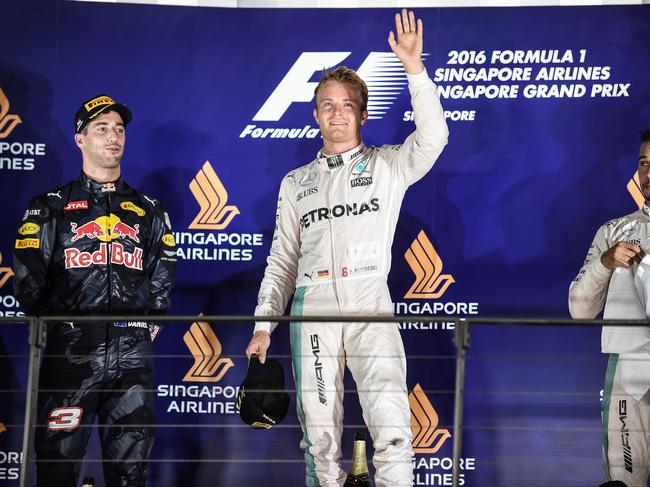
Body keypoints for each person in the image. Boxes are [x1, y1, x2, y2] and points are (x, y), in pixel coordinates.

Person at [245, 10, 448, 486]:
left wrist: (414, 70)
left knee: (393, 427)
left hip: (369, 302)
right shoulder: (296, 183)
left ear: (363, 112)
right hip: (311, 309)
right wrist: (262, 325)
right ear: (315, 114)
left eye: (347, 104)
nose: (337, 112)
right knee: (319, 437)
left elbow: (435, 136)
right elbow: (282, 261)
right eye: (327, 104)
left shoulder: (388, 165)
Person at [13, 94, 176, 487]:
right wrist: (54, 322)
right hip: (71, 353)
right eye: (101, 129)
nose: (113, 137)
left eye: (118, 129)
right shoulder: (50, 206)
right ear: (80, 140)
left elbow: (164, 267)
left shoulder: (149, 209)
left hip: (132, 353)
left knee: (131, 472)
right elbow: (27, 276)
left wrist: (149, 320)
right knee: (56, 466)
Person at [569, 130, 650, 487]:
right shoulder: (615, 230)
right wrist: (604, 262)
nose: (648, 173)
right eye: (644, 163)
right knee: (624, 481)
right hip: (629, 371)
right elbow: (579, 310)